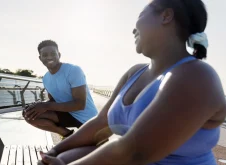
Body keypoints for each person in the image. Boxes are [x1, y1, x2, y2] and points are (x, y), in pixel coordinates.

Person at [38, 0, 226, 165]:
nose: (133, 28)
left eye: (141, 15)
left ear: (166, 16)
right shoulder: (135, 73)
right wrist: (56, 152)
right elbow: (102, 123)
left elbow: (134, 150)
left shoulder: (197, 76)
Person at [23, 40, 98, 138]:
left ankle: (82, 138)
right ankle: (67, 135)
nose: (49, 57)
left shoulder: (73, 70)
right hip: (68, 114)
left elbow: (79, 105)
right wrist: (38, 106)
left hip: (88, 118)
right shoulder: (45, 78)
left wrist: (45, 106)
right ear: (40, 58)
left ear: (59, 54)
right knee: (29, 115)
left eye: (53, 54)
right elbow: (53, 101)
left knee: (96, 151)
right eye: (45, 55)